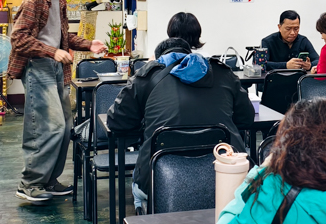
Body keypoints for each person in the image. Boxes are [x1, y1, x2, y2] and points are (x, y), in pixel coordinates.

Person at [106, 31, 254, 212]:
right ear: (189, 53)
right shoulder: (223, 73)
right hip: (225, 179)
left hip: (160, 181)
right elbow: (246, 118)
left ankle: (146, 217)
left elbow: (117, 122)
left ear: (160, 58)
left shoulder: (146, 76)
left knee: (138, 186)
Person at [9, 0, 105, 205]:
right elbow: (18, 39)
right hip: (38, 67)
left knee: (65, 127)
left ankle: (49, 180)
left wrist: (88, 44)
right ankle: (30, 183)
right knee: (48, 127)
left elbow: (62, 36)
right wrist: (52, 52)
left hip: (56, 68)